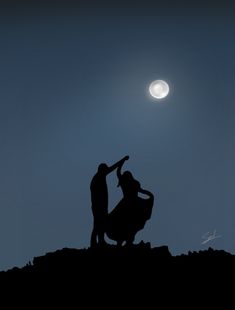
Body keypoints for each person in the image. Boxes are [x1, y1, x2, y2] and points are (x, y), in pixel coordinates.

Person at [106, 165, 154, 246]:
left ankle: (125, 242)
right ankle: (125, 241)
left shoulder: (125, 182)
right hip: (132, 204)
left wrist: (121, 163)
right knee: (128, 223)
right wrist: (150, 195)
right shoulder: (133, 183)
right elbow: (142, 191)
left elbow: (118, 173)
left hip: (129, 204)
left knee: (126, 223)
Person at [90, 155, 129, 247]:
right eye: (105, 170)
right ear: (101, 170)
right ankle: (94, 243)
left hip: (102, 206)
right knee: (97, 224)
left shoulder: (100, 176)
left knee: (102, 224)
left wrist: (122, 160)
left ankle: (101, 241)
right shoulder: (96, 180)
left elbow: (112, 168)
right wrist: (122, 160)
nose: (106, 171)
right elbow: (95, 196)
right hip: (98, 206)